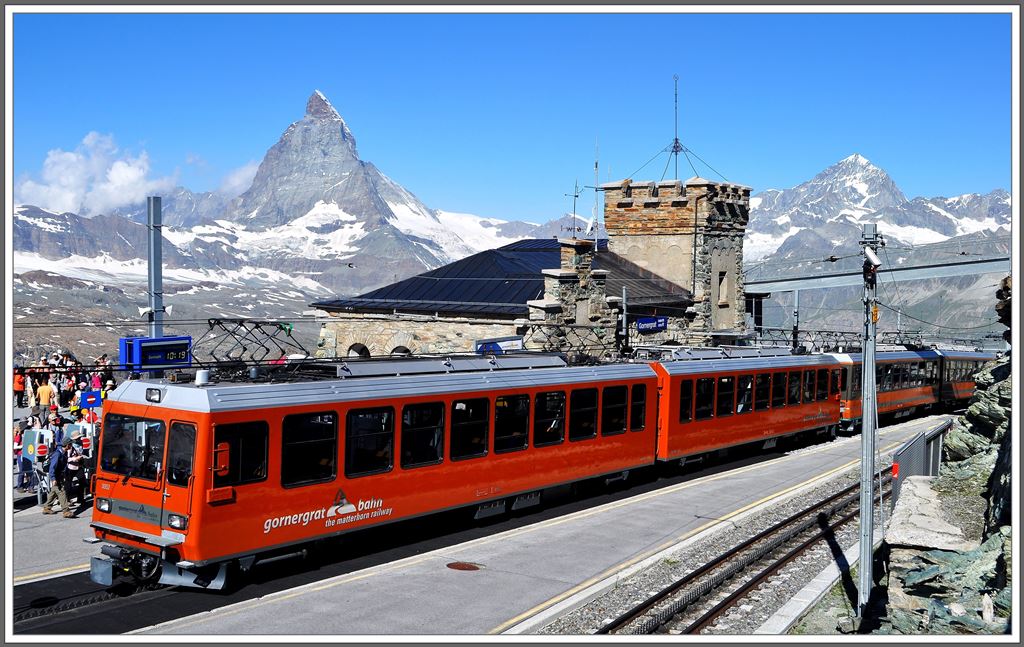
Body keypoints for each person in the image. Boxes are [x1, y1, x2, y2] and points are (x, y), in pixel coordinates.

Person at [42, 438, 73, 517]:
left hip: (60, 475)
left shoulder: (64, 452)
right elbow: (52, 467)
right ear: (66, 445)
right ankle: (66, 511)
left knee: (54, 491)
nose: (71, 446)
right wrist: (53, 478)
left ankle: (47, 507)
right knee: (62, 491)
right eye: (70, 444)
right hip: (56, 476)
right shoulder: (57, 454)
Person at [64, 431, 88, 505]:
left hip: (79, 466)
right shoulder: (70, 446)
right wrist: (75, 458)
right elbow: (67, 458)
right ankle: (67, 500)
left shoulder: (80, 443)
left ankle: (80, 498)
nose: (80, 439)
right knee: (68, 484)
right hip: (70, 467)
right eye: (78, 438)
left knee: (82, 482)